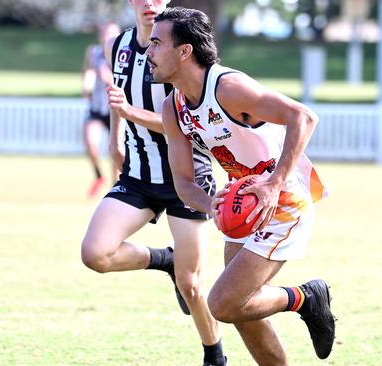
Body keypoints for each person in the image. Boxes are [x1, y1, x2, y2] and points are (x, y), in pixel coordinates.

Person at [148, 7, 335, 364]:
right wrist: (210, 204)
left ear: (184, 51)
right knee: (242, 311)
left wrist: (272, 184)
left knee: (222, 303)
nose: (148, 52)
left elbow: (304, 117)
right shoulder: (174, 108)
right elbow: (185, 183)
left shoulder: (229, 88)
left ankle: (305, 297)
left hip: (283, 199)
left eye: (157, 43)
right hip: (243, 201)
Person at [80, 1, 226, 365]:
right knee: (95, 253)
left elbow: (189, 121)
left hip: (187, 177)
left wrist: (131, 114)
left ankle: (215, 356)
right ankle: (164, 259)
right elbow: (118, 96)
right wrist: (115, 139)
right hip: (139, 173)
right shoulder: (119, 46)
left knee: (191, 284)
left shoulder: (181, 47)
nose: (150, 4)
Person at [81, 22, 120, 198]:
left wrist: (109, 77)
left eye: (111, 34)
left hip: (117, 109)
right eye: (105, 34)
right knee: (90, 142)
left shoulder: (123, 54)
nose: (107, 37)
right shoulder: (94, 52)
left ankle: (116, 189)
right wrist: (86, 86)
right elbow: (89, 71)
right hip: (97, 109)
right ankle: (98, 176)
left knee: (116, 150)